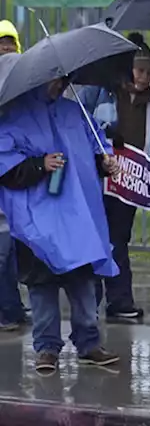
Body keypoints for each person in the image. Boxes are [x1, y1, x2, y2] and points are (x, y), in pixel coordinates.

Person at [0, 76, 123, 374]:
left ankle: (89, 343)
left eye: (64, 79)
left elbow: (91, 154)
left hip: (76, 216)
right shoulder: (13, 117)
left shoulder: (75, 111)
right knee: (42, 287)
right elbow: (5, 168)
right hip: (36, 223)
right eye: (55, 80)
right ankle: (47, 348)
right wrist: (39, 164)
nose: (61, 85)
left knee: (82, 282)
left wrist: (104, 164)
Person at [82, 33, 150, 321]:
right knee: (94, 239)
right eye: (140, 70)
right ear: (129, 67)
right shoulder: (101, 91)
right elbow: (81, 125)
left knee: (118, 239)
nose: (145, 78)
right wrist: (102, 145)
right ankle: (88, 302)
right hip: (97, 179)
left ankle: (119, 300)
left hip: (127, 184)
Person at [0, 24, 25, 331]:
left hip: (18, 174)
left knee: (12, 248)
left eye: (10, 45)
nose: (5, 50)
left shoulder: (24, 86)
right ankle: (8, 310)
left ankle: (12, 308)